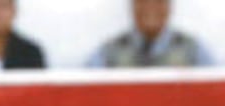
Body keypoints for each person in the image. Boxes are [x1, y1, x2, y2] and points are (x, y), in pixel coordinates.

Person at [87, 0, 215, 68]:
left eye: (159, 0)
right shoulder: (108, 53)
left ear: (169, 5)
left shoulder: (193, 51)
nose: (150, 6)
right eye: (143, 0)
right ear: (132, 4)